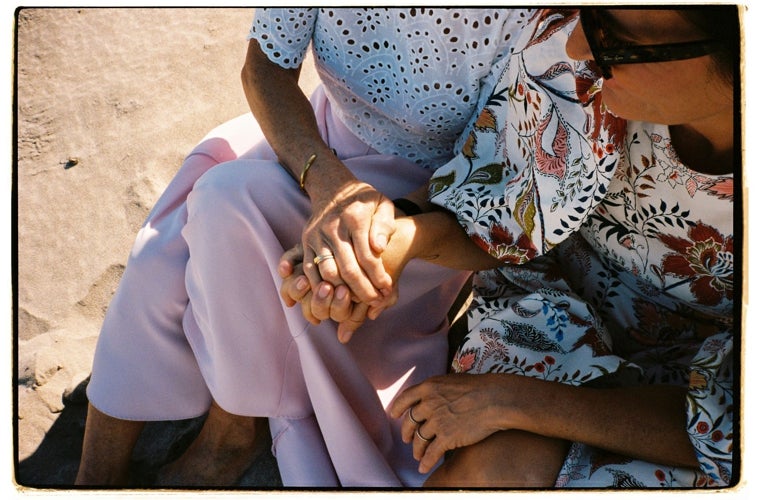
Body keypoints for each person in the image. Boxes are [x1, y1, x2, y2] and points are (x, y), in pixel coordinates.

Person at [74, 8, 536, 487]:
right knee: (164, 247)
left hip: (434, 194)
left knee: (229, 202)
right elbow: (265, 70)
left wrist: (376, 219)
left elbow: (506, 162)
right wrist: (329, 187)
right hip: (314, 137)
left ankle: (231, 429)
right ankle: (93, 476)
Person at [280, 7, 738, 488]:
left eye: (617, 36)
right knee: (496, 471)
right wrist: (394, 241)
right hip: (553, 313)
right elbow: (500, 208)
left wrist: (509, 402)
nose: (578, 46)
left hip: (697, 400)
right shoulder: (576, 61)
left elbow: (738, 427)